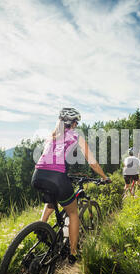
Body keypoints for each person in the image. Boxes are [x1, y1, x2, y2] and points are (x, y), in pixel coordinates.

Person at [31, 107, 110, 264]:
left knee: (52, 201)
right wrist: (105, 177)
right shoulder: (76, 136)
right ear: (73, 123)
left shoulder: (51, 137)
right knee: (73, 213)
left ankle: (42, 228)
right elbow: (92, 162)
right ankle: (73, 253)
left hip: (38, 175)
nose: (76, 125)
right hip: (57, 177)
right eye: (76, 122)